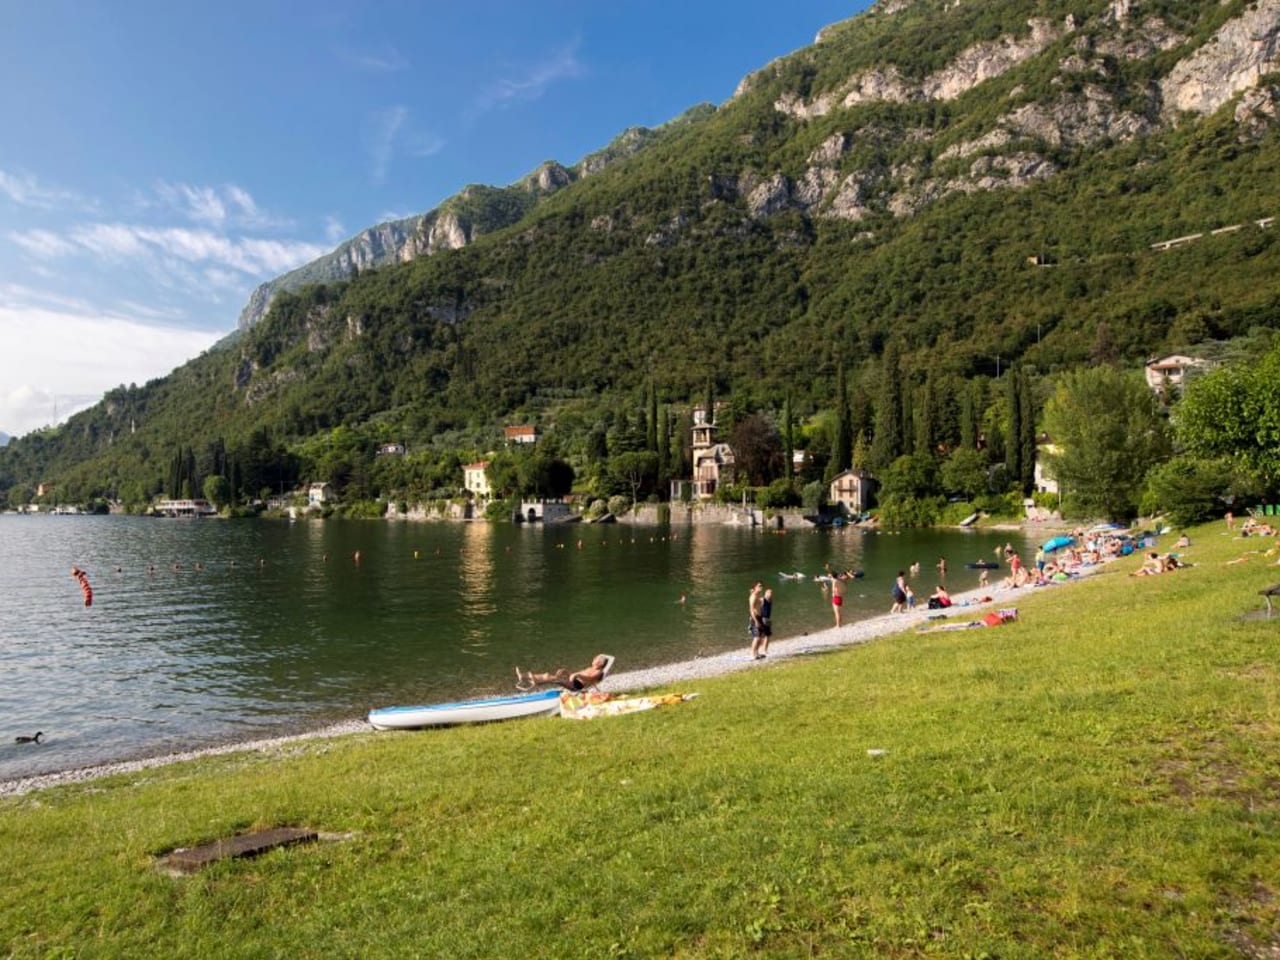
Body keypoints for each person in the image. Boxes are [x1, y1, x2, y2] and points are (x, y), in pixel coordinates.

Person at [516, 654, 612, 691]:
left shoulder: (599, 672)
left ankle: (528, 677)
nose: (593, 659)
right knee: (552, 675)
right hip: (574, 681)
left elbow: (590, 679)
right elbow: (574, 675)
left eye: (595, 659)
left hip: (577, 686)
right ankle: (526, 676)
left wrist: (577, 675)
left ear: (599, 663)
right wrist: (566, 672)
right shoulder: (589, 668)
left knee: (551, 677)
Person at [752, 588, 773, 659]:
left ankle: (764, 650)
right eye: (769, 593)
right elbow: (756, 600)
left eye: (771, 593)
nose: (770, 595)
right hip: (763, 619)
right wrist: (754, 593)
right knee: (761, 636)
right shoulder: (762, 599)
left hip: (767, 619)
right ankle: (757, 652)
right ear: (765, 594)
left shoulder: (770, 600)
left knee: (767, 635)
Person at [747, 581, 764, 655]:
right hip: (755, 618)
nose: (761, 587)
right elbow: (751, 609)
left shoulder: (757, 595)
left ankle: (757, 652)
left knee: (760, 637)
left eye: (761, 586)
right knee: (756, 637)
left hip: (760, 617)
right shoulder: (753, 596)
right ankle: (753, 654)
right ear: (755, 587)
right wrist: (756, 621)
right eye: (759, 586)